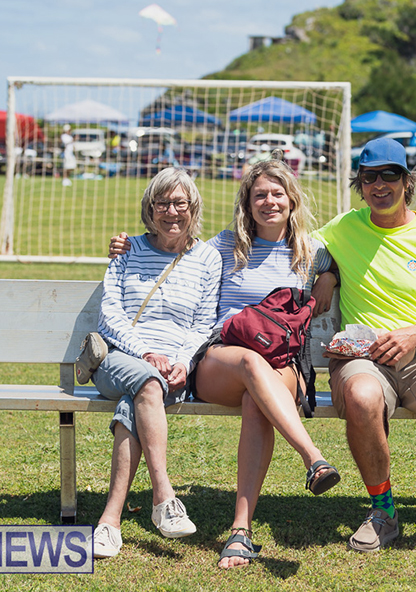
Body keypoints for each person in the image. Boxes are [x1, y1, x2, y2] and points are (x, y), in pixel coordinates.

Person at [109, 153, 341, 569]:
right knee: (252, 367)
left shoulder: (311, 251)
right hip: (221, 360)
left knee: (258, 398)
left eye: (277, 194)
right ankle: (313, 458)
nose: (269, 202)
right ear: (247, 203)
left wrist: (329, 277)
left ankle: (240, 532)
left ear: (292, 199)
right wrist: (129, 246)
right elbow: (176, 246)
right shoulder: (225, 245)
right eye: (259, 195)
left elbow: (336, 264)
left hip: (285, 366)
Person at [314, 137, 416, 553]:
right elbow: (289, 243)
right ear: (360, 184)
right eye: (370, 177)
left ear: (408, 181)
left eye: (390, 175)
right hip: (364, 357)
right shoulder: (343, 229)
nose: (380, 185)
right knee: (362, 397)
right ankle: (382, 510)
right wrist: (326, 270)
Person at [89, 167, 223, 559]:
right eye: (161, 203)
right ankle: (164, 496)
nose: (170, 212)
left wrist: (183, 361)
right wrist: (145, 353)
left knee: (137, 402)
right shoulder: (127, 249)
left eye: (179, 203)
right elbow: (109, 314)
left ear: (192, 207)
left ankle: (109, 523)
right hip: (120, 358)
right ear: (149, 208)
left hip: (173, 370)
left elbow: (203, 321)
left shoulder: (207, 258)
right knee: (147, 382)